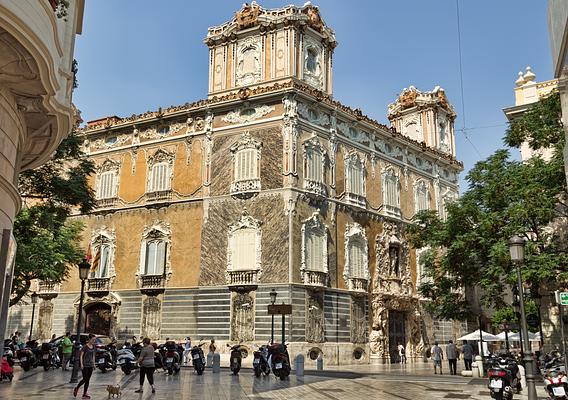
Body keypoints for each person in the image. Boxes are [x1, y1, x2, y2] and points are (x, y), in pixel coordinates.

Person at [73, 333, 96, 399]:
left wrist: (94, 364)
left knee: (88, 380)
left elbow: (93, 356)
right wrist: (82, 364)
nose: (94, 341)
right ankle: (77, 388)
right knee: (85, 379)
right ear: (89, 339)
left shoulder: (93, 346)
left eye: (94, 340)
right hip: (85, 365)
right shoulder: (85, 347)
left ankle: (84, 393)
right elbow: (81, 356)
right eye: (93, 340)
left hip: (90, 365)